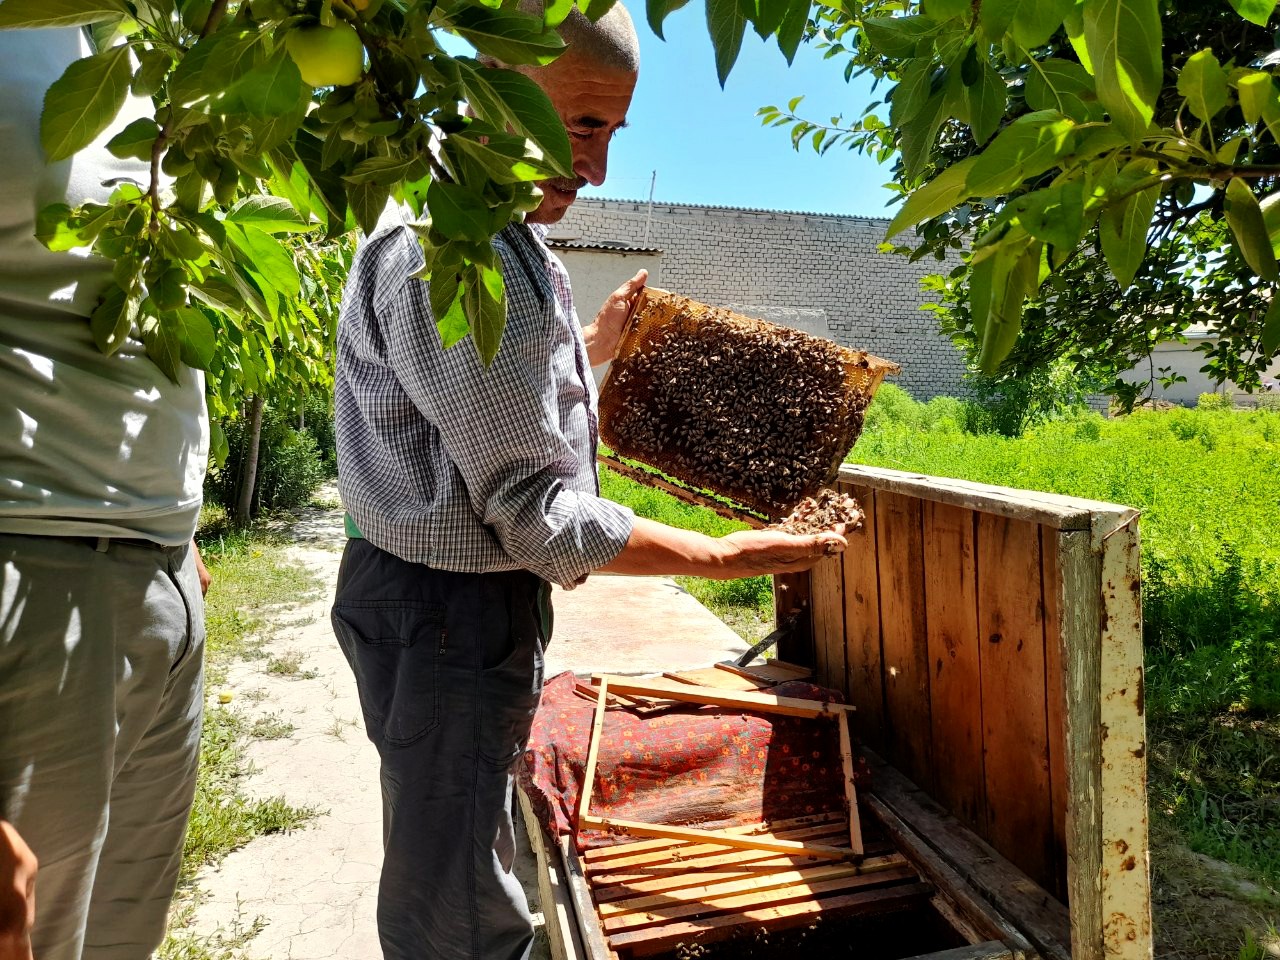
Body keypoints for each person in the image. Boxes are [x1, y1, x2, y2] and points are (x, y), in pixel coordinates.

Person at [330, 3, 848, 958]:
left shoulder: (483, 227)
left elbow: (480, 401)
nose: (599, 166)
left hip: (434, 606)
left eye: (612, 130)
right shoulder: (462, 257)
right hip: (450, 614)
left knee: (461, 836)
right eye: (582, 124)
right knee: (452, 898)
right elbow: (535, 514)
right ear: (492, 86)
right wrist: (726, 553)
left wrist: (591, 346)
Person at [0, 27, 212, 960]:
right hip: (29, 572)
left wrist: (179, 528)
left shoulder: (167, 45)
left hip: (157, 577)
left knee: (121, 936)